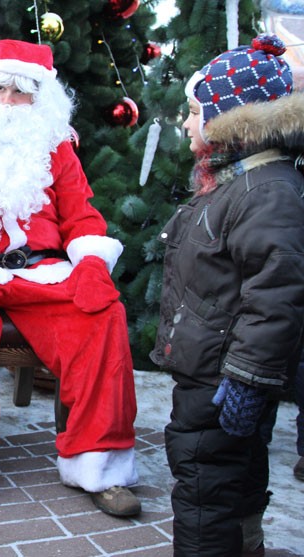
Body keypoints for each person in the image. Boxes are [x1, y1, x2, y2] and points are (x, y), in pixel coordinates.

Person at [0, 39, 140, 517]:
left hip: (43, 267)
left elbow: (81, 213)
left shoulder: (55, 143)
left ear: (40, 98)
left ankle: (99, 463)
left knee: (102, 315)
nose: (6, 101)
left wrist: (88, 264)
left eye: (20, 92)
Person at [150, 34, 304, 556]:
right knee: (228, 478)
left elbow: (277, 293)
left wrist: (247, 380)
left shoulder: (266, 192)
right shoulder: (234, 182)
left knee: (203, 487)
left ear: (231, 121)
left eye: (196, 112)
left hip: (223, 376)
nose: (189, 124)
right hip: (212, 368)